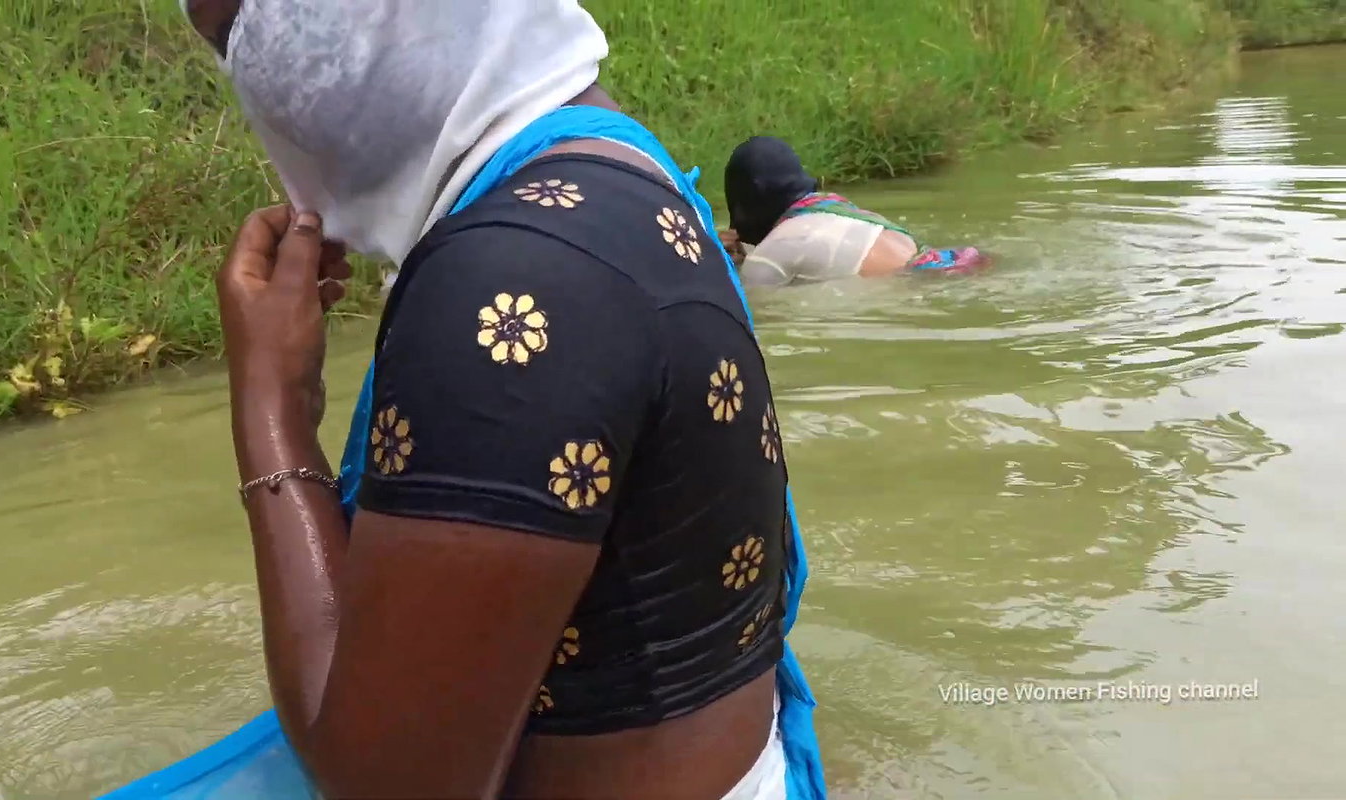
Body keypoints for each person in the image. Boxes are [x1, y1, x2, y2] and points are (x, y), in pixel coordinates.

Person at [185, 1, 824, 799]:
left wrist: (271, 409)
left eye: (236, 33)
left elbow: (391, 787)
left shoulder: (508, 283)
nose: (243, 74)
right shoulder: (613, 163)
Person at [720, 136, 990, 286]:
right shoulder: (835, 208)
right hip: (944, 267)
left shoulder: (774, 251)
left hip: (906, 289)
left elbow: (753, 311)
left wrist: (719, 264)